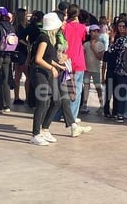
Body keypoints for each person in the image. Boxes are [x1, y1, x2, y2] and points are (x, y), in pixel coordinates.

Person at [29, 13, 91, 145]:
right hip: (39, 71)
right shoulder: (44, 38)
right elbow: (38, 59)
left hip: (49, 70)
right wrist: (52, 68)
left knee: (56, 101)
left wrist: (57, 66)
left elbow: (48, 58)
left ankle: (45, 129)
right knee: (42, 101)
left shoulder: (51, 39)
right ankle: (35, 134)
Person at [62, 4, 87, 120]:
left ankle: (61, 114)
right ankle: (72, 116)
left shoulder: (64, 27)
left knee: (63, 89)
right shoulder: (82, 27)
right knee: (76, 90)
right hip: (78, 61)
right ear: (77, 14)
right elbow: (82, 39)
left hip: (65, 61)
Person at [81, 24, 105, 115]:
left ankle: (101, 105)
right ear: (90, 33)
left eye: (97, 31)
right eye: (94, 31)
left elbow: (100, 57)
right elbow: (83, 56)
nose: (96, 33)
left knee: (98, 87)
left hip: (95, 69)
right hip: (86, 69)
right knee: (86, 86)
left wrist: (94, 48)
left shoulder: (100, 45)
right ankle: (84, 104)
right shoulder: (85, 44)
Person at [13, 8, 31, 107]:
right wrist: (27, 44)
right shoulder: (21, 27)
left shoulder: (14, 26)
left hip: (16, 52)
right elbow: (19, 39)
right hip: (22, 52)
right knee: (27, 76)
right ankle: (27, 97)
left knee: (17, 76)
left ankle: (16, 97)